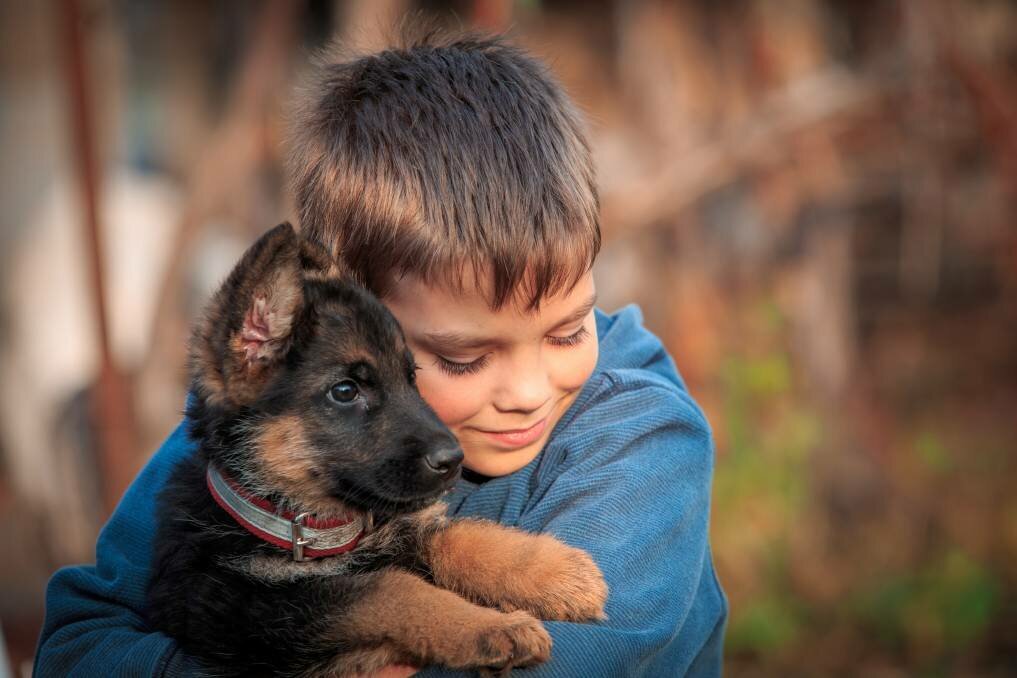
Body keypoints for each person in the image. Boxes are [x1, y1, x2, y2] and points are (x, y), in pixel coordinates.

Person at [35, 33, 727, 677]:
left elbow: (568, 657)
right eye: (460, 361)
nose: (526, 390)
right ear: (353, 313)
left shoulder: (638, 442)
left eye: (567, 331)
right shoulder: (261, 419)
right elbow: (78, 642)